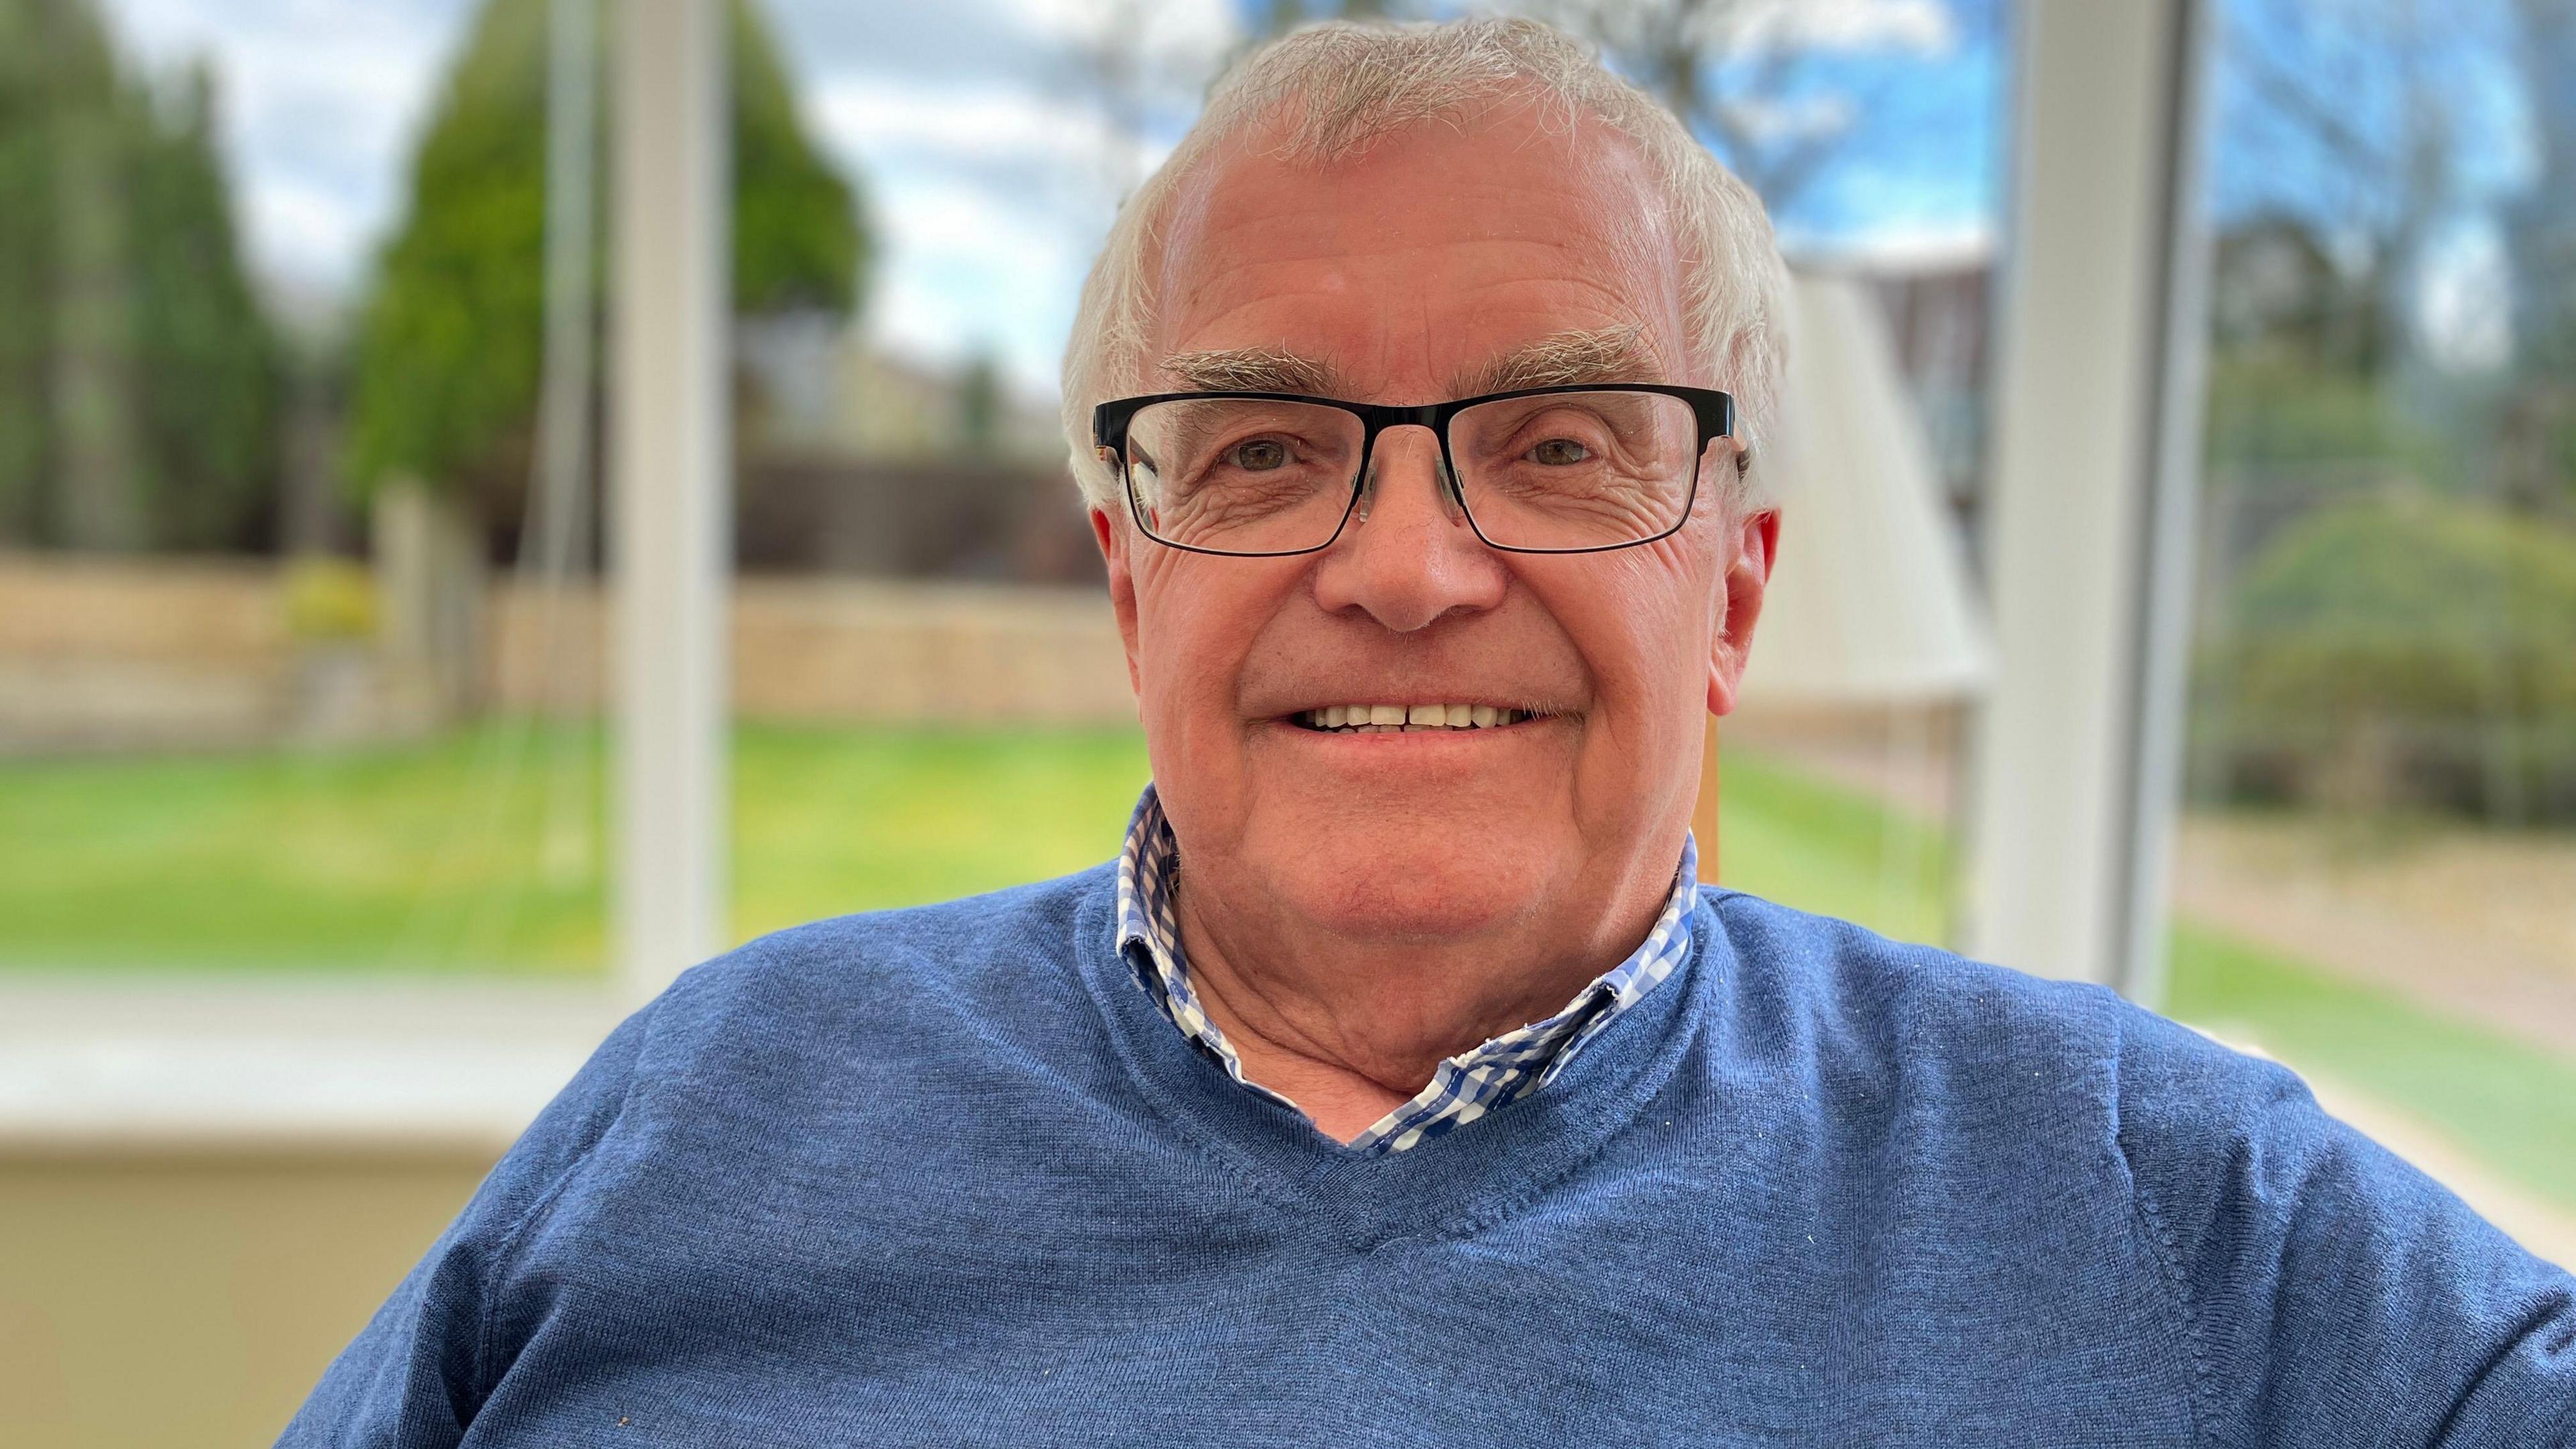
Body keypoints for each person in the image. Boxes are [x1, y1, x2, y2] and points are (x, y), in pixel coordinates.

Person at [283, 17, 2575, 1446]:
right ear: (1128, 576)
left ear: (1732, 594)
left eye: (1563, 442)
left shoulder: (2144, 1191)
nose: (1400, 564)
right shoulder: (714, 1107)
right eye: (1263, 450)